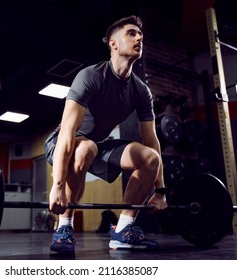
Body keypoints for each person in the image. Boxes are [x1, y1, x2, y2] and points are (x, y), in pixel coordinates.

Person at [44, 15, 167, 255]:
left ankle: (124, 229)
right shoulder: (91, 76)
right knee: (85, 148)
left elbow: (152, 141)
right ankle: (63, 228)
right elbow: (68, 132)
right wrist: (57, 186)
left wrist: (160, 191)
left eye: (140, 35)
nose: (139, 37)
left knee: (150, 157)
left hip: (101, 144)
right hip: (64, 143)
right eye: (131, 33)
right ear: (113, 43)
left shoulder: (141, 91)